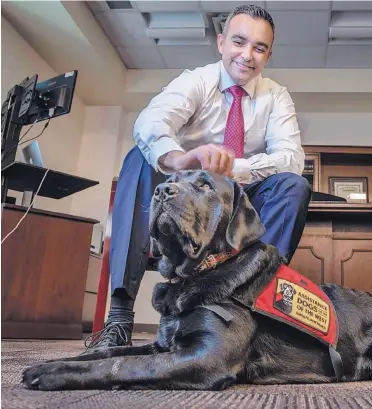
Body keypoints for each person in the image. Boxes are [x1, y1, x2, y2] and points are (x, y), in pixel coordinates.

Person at [84, 5, 311, 353]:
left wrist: (233, 169)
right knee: (139, 159)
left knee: (293, 186)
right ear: (221, 43)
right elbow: (150, 123)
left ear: (268, 54)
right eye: (239, 42)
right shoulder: (197, 81)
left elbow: (291, 158)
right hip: (186, 200)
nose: (247, 55)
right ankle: (118, 318)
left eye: (259, 48)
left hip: (234, 206)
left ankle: (250, 317)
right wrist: (180, 160)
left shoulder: (276, 96)